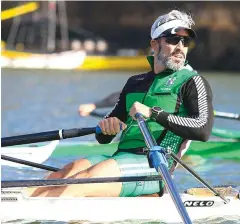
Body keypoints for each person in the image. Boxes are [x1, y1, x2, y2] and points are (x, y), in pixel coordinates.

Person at [30, 10, 214, 197]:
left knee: (82, 180)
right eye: (173, 40)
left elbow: (203, 129)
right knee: (63, 174)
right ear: (155, 44)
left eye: (185, 42)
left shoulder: (193, 82)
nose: (180, 47)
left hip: (154, 165)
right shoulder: (135, 82)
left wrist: (154, 113)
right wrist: (106, 126)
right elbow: (104, 138)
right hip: (121, 157)